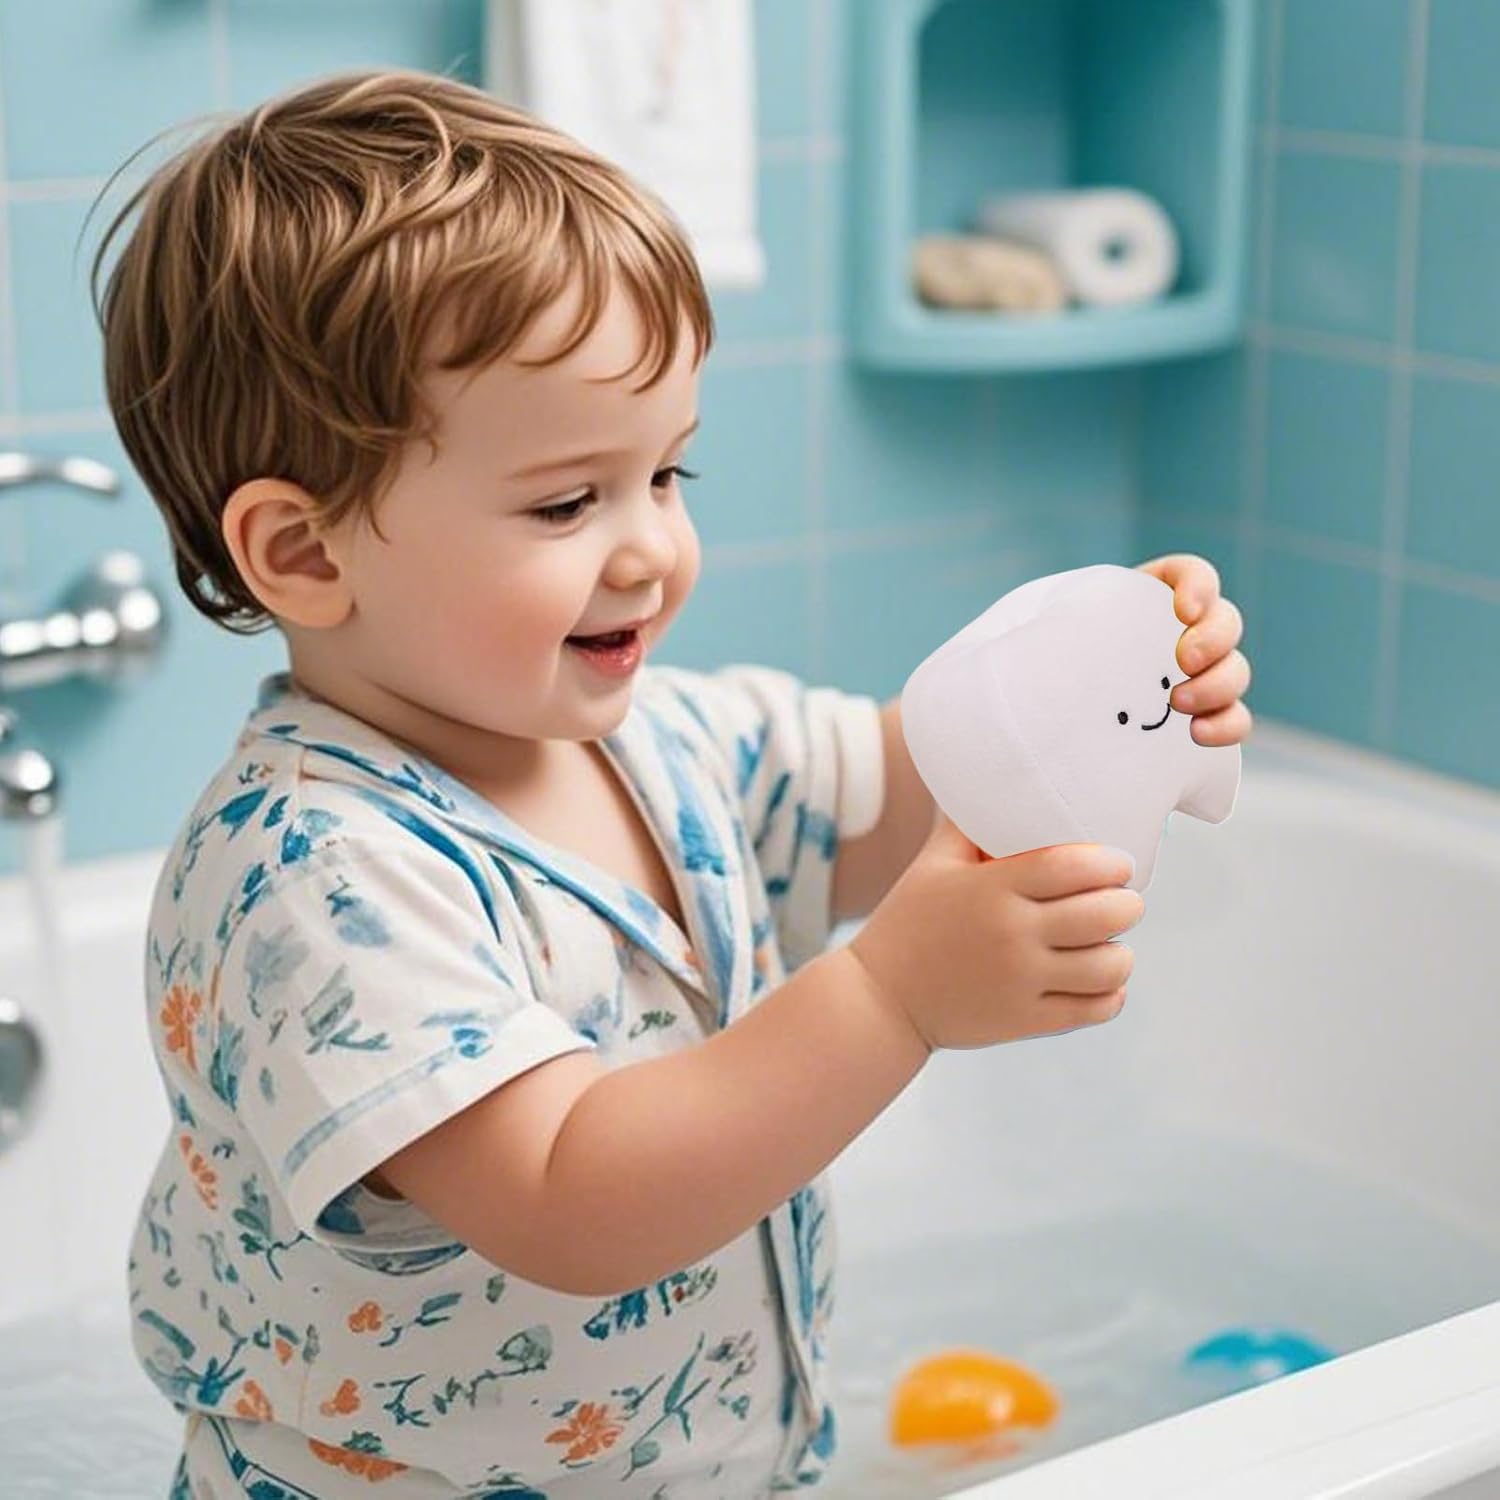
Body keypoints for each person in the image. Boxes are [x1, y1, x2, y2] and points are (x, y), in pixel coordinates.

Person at [95, 69, 1253, 1500]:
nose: (650, 548)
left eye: (667, 476)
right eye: (567, 502)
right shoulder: (314, 879)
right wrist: (892, 999)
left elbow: (914, 781)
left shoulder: (663, 739)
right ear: (307, 553)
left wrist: (1111, 686)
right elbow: (569, 1196)